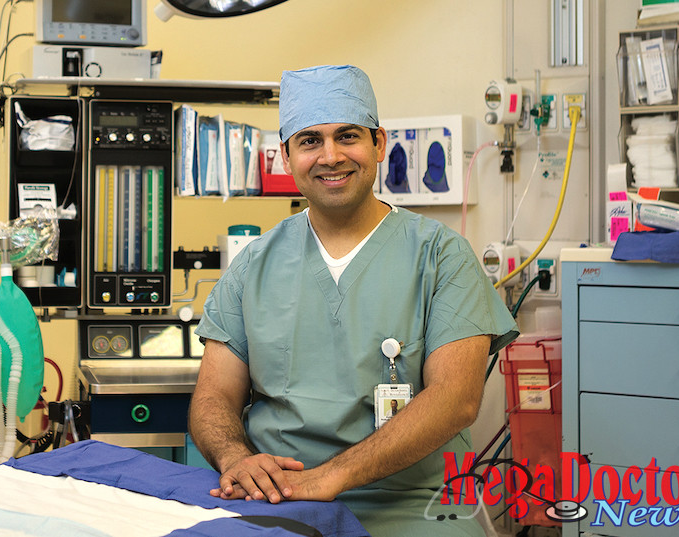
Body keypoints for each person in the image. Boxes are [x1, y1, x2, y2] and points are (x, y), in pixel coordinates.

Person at [189, 64, 519, 537]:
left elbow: (457, 399)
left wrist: (332, 476)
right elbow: (214, 396)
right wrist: (236, 457)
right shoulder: (254, 265)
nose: (330, 156)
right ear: (286, 157)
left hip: (413, 503)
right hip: (276, 500)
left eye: (347, 136)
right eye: (309, 141)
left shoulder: (441, 256)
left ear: (379, 144)